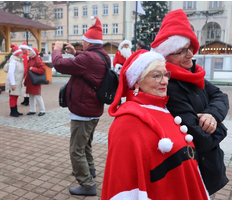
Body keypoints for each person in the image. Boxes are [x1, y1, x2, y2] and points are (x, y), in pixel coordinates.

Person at [102, 50, 210, 200]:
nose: (165, 81)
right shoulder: (126, 124)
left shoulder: (162, 108)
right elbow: (123, 186)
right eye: (156, 75)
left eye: (166, 74)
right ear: (137, 81)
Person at [151, 9, 229, 195]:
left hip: (209, 165)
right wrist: (222, 128)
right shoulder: (167, 85)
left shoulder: (194, 74)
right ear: (166, 54)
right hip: (193, 169)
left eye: (190, 48)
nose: (190, 54)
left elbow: (221, 96)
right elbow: (199, 139)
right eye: (182, 51)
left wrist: (211, 115)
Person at [52, 16, 108, 196]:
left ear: (89, 43)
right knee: (85, 145)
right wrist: (75, 53)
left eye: (83, 42)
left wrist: (57, 51)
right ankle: (89, 172)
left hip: (83, 111)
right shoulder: (102, 55)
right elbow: (87, 61)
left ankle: (86, 184)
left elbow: (59, 65)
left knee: (76, 150)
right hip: (93, 109)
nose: (82, 45)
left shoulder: (89, 58)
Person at [25, 47, 46, 116]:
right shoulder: (30, 59)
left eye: (29, 52)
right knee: (31, 96)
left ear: (33, 53)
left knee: (37, 96)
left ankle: (42, 110)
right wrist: (25, 81)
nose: (28, 53)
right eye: (28, 52)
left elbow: (42, 70)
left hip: (35, 81)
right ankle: (32, 110)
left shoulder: (38, 60)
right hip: (30, 81)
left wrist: (33, 69)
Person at [5, 45, 25, 117]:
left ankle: (15, 110)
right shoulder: (13, 61)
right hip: (13, 82)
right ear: (17, 54)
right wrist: (13, 84)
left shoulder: (19, 61)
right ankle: (12, 111)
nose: (22, 54)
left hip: (17, 81)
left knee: (15, 96)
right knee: (12, 97)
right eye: (21, 53)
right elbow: (11, 73)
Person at [19, 42, 30, 106]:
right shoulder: (24, 56)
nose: (22, 50)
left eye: (23, 49)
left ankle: (27, 100)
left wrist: (24, 75)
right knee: (23, 88)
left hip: (25, 74)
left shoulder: (24, 56)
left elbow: (25, 66)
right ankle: (25, 100)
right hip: (24, 74)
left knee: (25, 88)